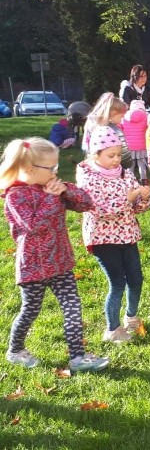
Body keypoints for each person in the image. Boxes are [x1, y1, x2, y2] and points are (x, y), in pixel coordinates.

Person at [0, 137, 109, 373]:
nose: (55, 172)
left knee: (72, 306)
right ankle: (15, 350)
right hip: (34, 267)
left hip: (61, 262)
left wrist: (66, 191)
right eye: (51, 168)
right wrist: (51, 198)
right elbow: (34, 226)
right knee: (30, 310)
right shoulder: (16, 196)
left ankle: (77, 357)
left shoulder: (50, 188)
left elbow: (86, 203)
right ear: (30, 169)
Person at [76, 126, 150, 344]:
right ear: (95, 154)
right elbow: (101, 210)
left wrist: (143, 198)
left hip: (128, 234)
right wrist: (130, 198)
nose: (116, 160)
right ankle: (112, 329)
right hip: (103, 238)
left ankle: (131, 317)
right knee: (117, 282)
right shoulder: (89, 178)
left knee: (136, 278)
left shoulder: (125, 174)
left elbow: (137, 208)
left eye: (119, 155)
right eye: (111, 156)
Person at [82, 93, 132, 171]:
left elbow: (85, 146)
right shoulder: (114, 130)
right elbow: (124, 152)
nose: (122, 120)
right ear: (114, 113)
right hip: (113, 168)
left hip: (95, 165)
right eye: (121, 116)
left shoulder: (91, 124)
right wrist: (128, 164)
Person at [122, 100, 150, 184]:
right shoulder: (146, 116)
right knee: (142, 164)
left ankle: (130, 181)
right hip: (142, 145)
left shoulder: (124, 116)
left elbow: (121, 128)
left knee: (130, 165)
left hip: (129, 146)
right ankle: (144, 180)